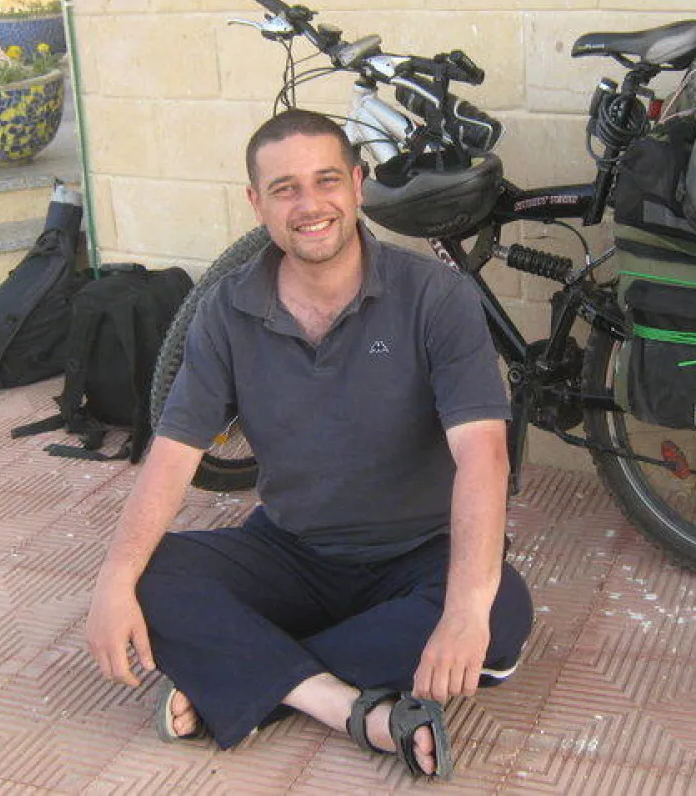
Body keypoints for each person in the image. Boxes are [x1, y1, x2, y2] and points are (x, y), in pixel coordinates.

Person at [86, 109, 534, 779]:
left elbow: (483, 455)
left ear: (356, 186)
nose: (310, 205)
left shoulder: (434, 296)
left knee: (499, 610)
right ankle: (348, 706)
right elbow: (174, 455)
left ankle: (247, 675)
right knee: (148, 576)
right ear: (257, 203)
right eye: (285, 188)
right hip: (293, 551)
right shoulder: (226, 309)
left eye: (326, 180)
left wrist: (466, 610)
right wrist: (114, 579)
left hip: (419, 553)